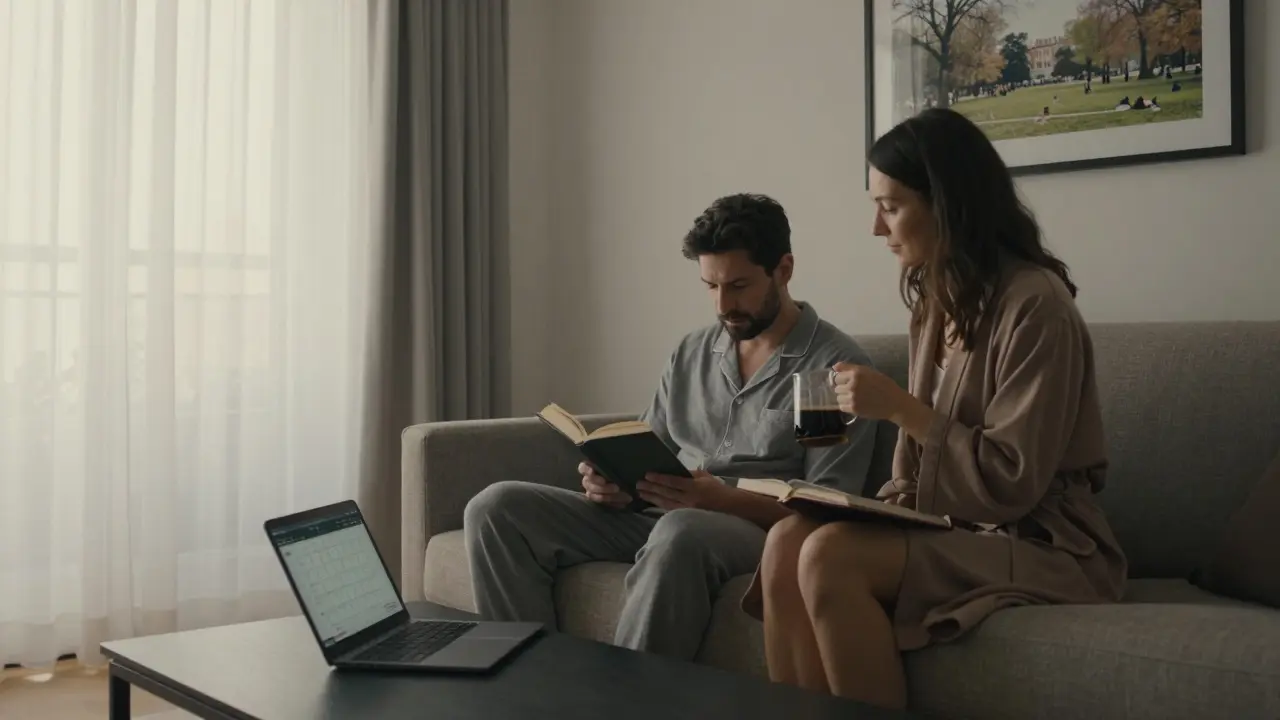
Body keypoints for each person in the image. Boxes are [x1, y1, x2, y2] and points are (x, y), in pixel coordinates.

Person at [746, 109, 1128, 710]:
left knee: (829, 556)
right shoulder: (937, 303)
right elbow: (911, 478)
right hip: (954, 528)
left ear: (947, 204)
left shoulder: (1037, 307)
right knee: (789, 538)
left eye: (891, 206)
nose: (877, 227)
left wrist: (900, 409)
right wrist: (870, 508)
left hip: (1046, 545)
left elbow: (1013, 484)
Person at [464, 193, 879, 661]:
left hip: (746, 531)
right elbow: (648, 446)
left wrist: (719, 499)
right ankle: (531, 690)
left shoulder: (827, 371)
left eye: (739, 285)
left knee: (682, 530)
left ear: (783, 270)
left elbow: (821, 513)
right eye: (710, 286)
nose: (724, 305)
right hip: (663, 518)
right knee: (496, 509)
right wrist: (614, 482)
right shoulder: (693, 352)